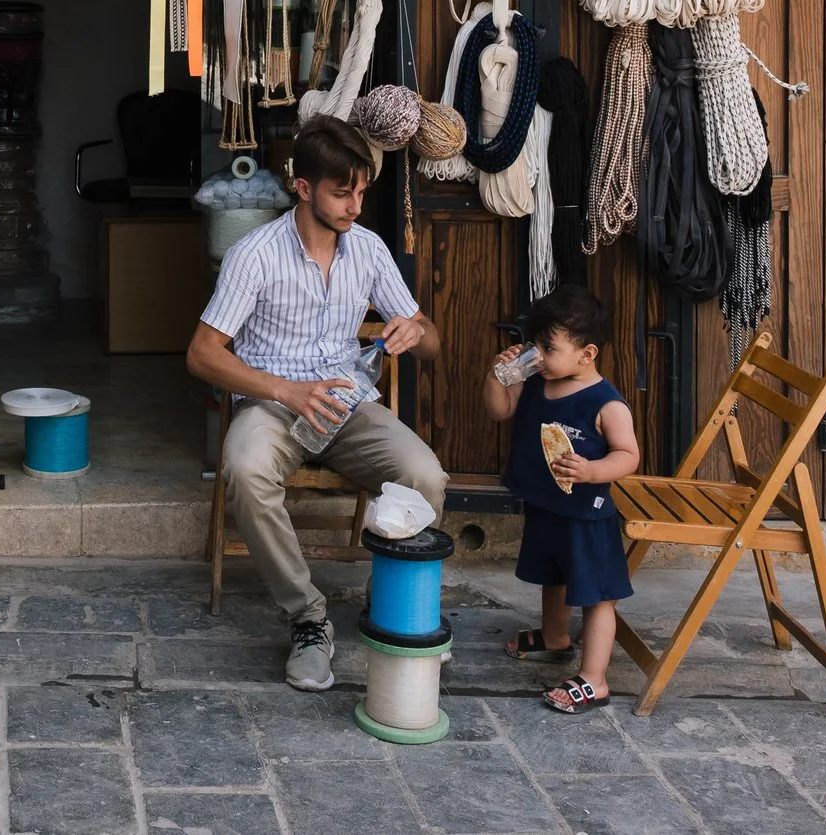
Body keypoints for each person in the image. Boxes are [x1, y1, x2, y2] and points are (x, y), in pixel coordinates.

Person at [185, 116, 447, 691]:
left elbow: (431, 338)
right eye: (342, 192)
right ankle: (308, 619)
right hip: (274, 405)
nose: (355, 205)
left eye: (361, 191)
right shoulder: (253, 254)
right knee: (247, 470)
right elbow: (202, 355)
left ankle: (389, 604)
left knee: (426, 475)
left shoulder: (369, 250)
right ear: (303, 188)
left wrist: (413, 331)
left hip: (349, 403)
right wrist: (285, 391)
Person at [484, 284, 640, 713]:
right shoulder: (537, 380)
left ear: (586, 355)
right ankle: (555, 638)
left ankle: (595, 679)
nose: (536, 355)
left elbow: (628, 456)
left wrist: (592, 471)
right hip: (546, 506)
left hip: (585, 517)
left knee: (595, 596)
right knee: (552, 578)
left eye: (547, 347)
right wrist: (498, 377)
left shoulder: (606, 404)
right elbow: (499, 410)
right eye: (534, 344)